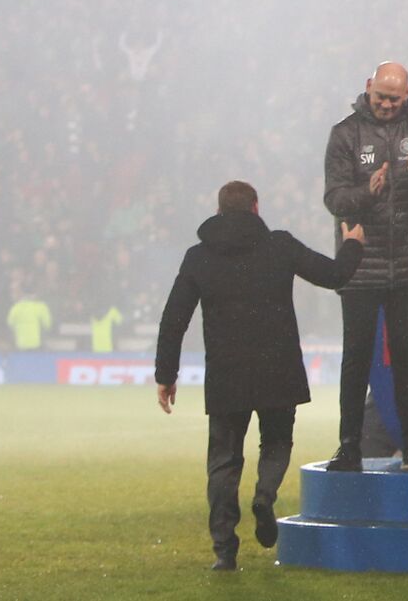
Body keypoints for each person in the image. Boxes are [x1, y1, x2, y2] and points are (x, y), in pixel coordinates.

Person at [155, 181, 365, 571]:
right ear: (256, 207)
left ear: (218, 211)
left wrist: (166, 374)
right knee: (276, 443)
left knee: (223, 461)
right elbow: (334, 275)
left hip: (226, 373)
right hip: (278, 368)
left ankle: (224, 552)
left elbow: (174, 319)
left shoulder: (198, 257)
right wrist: (352, 241)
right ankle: (265, 495)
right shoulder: (280, 245)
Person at [322, 60, 408, 472]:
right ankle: (348, 445)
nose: (388, 105)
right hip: (358, 268)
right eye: (381, 97)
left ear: (407, 92)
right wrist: (366, 192)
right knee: (355, 358)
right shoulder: (345, 133)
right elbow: (334, 200)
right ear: (368, 86)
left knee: (407, 361)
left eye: (395, 98)